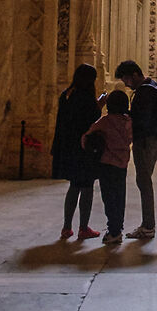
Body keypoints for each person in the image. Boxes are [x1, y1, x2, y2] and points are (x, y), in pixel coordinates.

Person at [115, 57, 157, 240]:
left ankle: (148, 226)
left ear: (135, 74)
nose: (127, 84)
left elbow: (142, 120)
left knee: (144, 182)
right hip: (152, 139)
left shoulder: (144, 93)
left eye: (127, 80)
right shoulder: (152, 86)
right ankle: (147, 224)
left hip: (145, 141)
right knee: (143, 181)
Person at [51, 62, 101, 244]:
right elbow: (90, 120)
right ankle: (83, 227)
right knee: (87, 188)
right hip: (83, 148)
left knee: (74, 187)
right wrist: (99, 105)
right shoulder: (85, 97)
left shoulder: (67, 94)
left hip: (68, 147)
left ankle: (66, 227)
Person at [82, 87, 133, 249]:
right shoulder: (128, 122)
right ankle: (118, 228)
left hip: (106, 164)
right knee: (120, 196)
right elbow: (131, 138)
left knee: (109, 197)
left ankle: (113, 229)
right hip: (122, 163)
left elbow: (86, 138)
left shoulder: (105, 121)